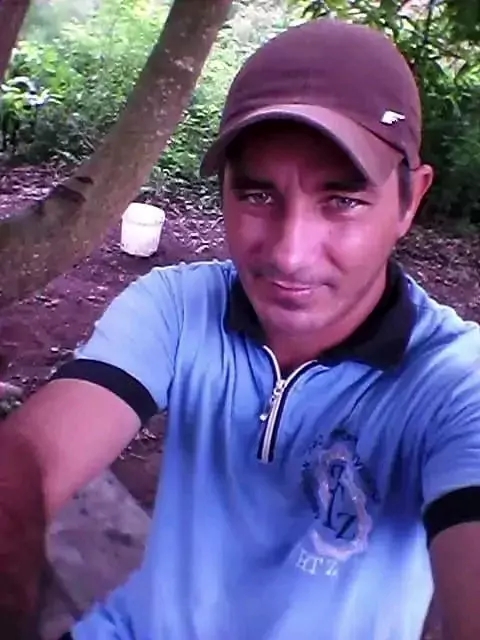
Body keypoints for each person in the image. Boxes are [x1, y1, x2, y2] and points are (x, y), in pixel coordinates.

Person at [1, 17, 480, 640]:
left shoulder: (454, 383)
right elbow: (34, 457)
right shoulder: (178, 308)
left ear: (409, 201)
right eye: (257, 195)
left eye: (342, 201)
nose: (290, 254)